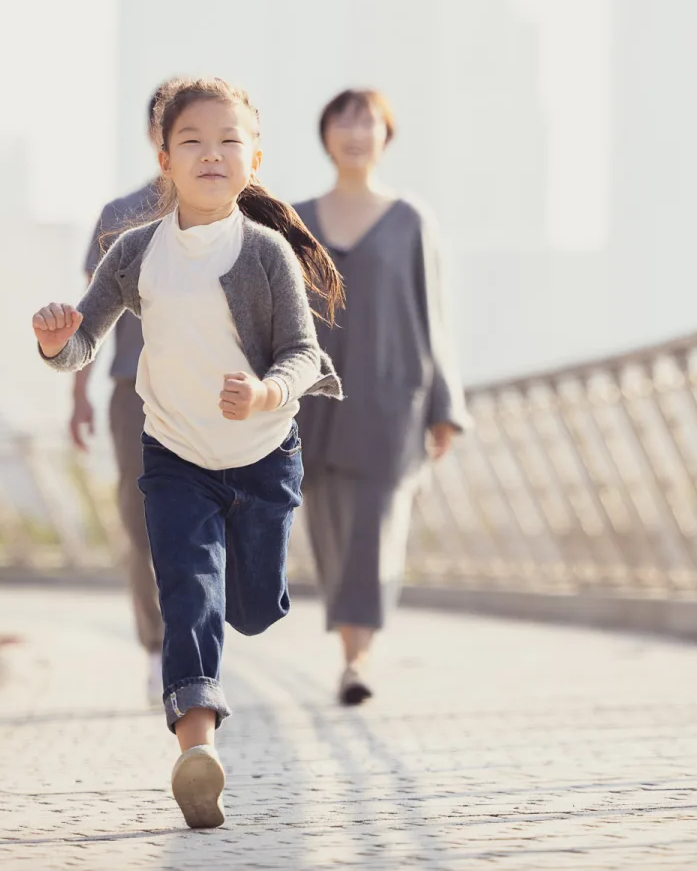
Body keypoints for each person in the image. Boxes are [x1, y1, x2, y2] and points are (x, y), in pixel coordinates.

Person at [33, 77, 344, 830]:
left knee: (252, 606)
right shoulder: (135, 248)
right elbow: (83, 342)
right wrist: (53, 342)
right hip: (174, 454)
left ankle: (243, 611)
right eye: (193, 142)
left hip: (264, 454)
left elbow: (304, 355)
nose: (212, 154)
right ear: (163, 160)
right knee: (188, 593)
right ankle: (195, 746)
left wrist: (268, 394)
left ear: (254, 158)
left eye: (228, 141)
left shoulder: (266, 251)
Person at [293, 88, 470, 707]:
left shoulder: (409, 220)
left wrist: (446, 407)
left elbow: (433, 317)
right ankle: (352, 647)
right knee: (331, 535)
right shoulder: (292, 220)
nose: (355, 132)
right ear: (325, 135)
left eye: (367, 121)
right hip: (311, 400)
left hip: (393, 400)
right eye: (343, 120)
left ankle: (355, 659)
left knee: (374, 530)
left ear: (386, 136)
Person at [70, 81, 178, 704]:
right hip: (130, 391)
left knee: (208, 519)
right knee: (141, 524)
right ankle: (156, 646)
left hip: (213, 393)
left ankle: (198, 640)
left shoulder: (235, 212)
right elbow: (89, 314)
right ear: (154, 136)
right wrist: (77, 394)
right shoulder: (119, 214)